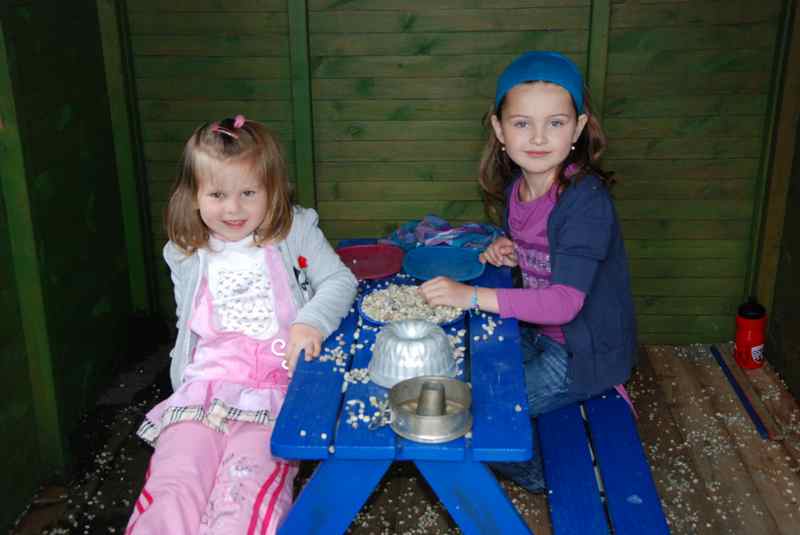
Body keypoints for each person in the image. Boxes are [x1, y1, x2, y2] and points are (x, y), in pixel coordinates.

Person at [126, 115, 358, 534]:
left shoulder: (294, 232)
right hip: (204, 389)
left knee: (243, 491)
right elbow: (186, 327)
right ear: (194, 196)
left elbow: (339, 281)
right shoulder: (185, 252)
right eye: (217, 194)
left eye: (248, 193)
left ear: (273, 191)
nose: (233, 209)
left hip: (276, 390)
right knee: (174, 483)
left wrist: (310, 322)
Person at [419, 51, 637, 491]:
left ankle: (553, 479)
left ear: (578, 128)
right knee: (457, 364)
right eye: (522, 123)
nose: (538, 137)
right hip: (538, 332)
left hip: (581, 355)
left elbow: (564, 302)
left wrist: (470, 295)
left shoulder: (585, 202)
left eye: (555, 123)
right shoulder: (520, 188)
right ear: (500, 130)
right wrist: (513, 250)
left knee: (475, 414)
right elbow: (548, 251)